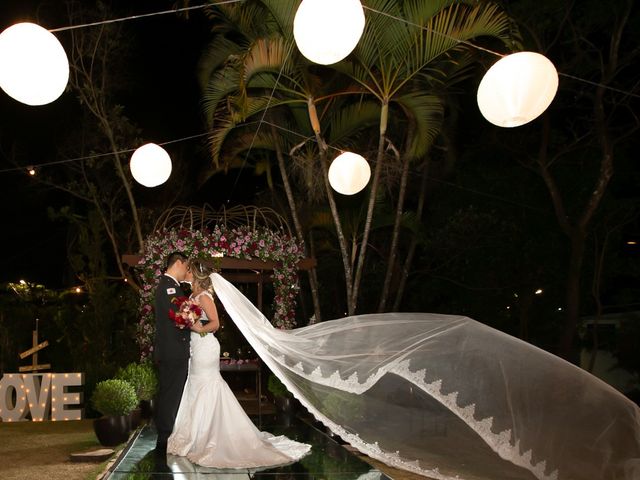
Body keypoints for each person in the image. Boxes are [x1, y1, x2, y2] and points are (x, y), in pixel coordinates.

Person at [167, 260, 310, 468]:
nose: (186, 272)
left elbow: (216, 323)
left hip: (206, 346)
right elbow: (190, 322)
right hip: (194, 347)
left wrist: (198, 328)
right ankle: (195, 435)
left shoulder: (204, 297)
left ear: (196, 274)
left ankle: (209, 436)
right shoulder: (190, 297)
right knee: (195, 385)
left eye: (189, 270)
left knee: (207, 385)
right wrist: (185, 323)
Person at [153, 251, 191, 456]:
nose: (187, 271)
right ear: (178, 263)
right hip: (173, 349)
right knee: (171, 393)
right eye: (186, 267)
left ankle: (167, 433)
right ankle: (165, 436)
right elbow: (179, 317)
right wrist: (192, 318)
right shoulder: (169, 287)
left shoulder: (172, 286)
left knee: (171, 391)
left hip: (172, 349)